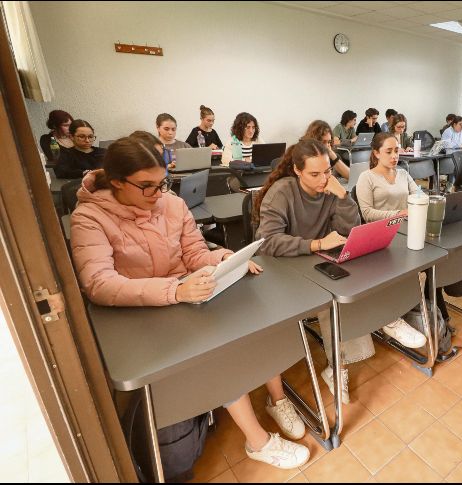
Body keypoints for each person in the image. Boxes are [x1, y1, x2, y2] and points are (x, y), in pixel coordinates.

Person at [70, 135, 310, 469]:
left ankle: (278, 398)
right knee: (217, 353)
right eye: (147, 186)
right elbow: (99, 284)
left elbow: (194, 252)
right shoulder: (89, 218)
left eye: (162, 183)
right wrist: (175, 291)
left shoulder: (171, 204)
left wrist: (224, 258)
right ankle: (258, 442)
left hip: (187, 296)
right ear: (116, 183)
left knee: (256, 323)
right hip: (141, 314)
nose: (158, 194)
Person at [254, 139, 367, 405]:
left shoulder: (330, 189)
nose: (323, 179)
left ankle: (337, 367)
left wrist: (342, 196)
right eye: (314, 174)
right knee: (327, 299)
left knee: (341, 292)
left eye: (327, 171)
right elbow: (268, 242)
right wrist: (315, 244)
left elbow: (350, 231)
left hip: (313, 263)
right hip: (280, 267)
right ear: (297, 170)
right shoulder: (282, 192)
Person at [356, 133, 462, 324]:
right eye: (389, 151)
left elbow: (418, 193)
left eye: (397, 150)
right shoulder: (366, 178)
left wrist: (431, 200)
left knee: (439, 256)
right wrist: (399, 213)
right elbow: (367, 214)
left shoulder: (402, 173)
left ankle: (449, 299)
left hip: (410, 228)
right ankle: (449, 304)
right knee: (430, 262)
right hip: (386, 236)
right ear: (376, 153)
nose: (395, 156)